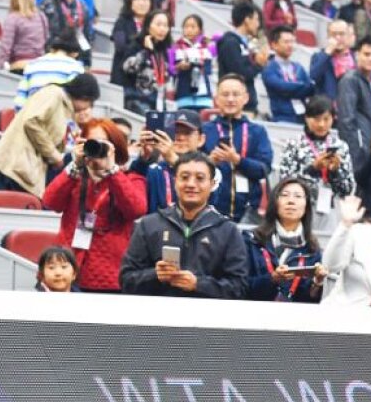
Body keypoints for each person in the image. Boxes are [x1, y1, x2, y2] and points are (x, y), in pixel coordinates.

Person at [119, 152, 249, 299]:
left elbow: (239, 287)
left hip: (208, 318)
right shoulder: (149, 225)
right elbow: (126, 280)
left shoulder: (228, 230)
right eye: (184, 177)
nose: (191, 184)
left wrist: (198, 284)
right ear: (175, 181)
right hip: (157, 317)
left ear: (212, 184)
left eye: (200, 178)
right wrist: (155, 275)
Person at [42, 118, 147, 293]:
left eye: (103, 144)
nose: (97, 149)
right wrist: (75, 164)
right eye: (92, 143)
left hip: (110, 275)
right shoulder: (74, 177)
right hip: (69, 271)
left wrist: (112, 169)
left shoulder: (131, 179)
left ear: (115, 148)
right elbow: (50, 202)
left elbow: (136, 209)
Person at [0, 72, 100, 196]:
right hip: (16, 166)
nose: (88, 107)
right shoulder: (53, 94)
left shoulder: (65, 107)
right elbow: (31, 122)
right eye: (89, 102)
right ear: (83, 96)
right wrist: (54, 155)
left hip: (27, 169)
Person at [202, 75, 272, 223]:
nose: (230, 99)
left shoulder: (257, 131)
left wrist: (238, 160)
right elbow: (190, 166)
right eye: (225, 94)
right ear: (216, 98)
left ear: (246, 98)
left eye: (236, 94)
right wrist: (209, 162)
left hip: (249, 211)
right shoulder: (204, 131)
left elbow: (264, 169)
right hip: (208, 209)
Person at [243, 177, 326, 303]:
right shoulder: (252, 240)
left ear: (306, 206)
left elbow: (308, 302)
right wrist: (272, 279)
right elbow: (241, 286)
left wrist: (317, 283)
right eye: (285, 195)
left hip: (293, 319)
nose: (291, 201)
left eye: (298, 196)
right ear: (275, 202)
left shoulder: (312, 249)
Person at [276, 96, 356, 221]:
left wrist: (334, 172)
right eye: (316, 119)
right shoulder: (294, 145)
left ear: (333, 119)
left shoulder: (340, 146)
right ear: (306, 118)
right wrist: (312, 169)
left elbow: (347, 189)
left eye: (326, 119)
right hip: (300, 210)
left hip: (332, 209)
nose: (321, 124)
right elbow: (284, 182)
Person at [133, 108, 205, 212]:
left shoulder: (210, 170)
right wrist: (144, 158)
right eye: (175, 132)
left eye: (187, 133)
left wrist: (174, 161)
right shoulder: (155, 170)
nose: (180, 137)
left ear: (200, 139)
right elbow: (132, 196)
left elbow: (210, 202)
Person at [336, 35, 371, 176]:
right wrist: (354, 150)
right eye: (366, 54)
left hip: (369, 145)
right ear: (357, 55)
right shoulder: (350, 80)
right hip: (357, 149)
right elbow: (346, 119)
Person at [216, 0, 268, 116]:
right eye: (256, 19)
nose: (258, 24)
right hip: (234, 106)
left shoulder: (244, 44)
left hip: (247, 105)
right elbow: (240, 73)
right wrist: (259, 65)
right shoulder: (230, 43)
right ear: (247, 20)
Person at [13, 30, 84, 111]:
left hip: (31, 117)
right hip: (57, 118)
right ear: (75, 53)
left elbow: (19, 102)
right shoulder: (75, 67)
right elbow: (74, 103)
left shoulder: (32, 65)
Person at [120, 9, 172, 115]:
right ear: (148, 26)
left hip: (158, 101)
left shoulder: (164, 51)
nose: (162, 29)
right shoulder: (136, 45)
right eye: (158, 24)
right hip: (137, 100)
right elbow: (128, 68)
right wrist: (146, 51)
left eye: (166, 25)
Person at [262, 25, 315, 124]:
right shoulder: (269, 68)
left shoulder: (298, 67)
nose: (290, 45)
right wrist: (301, 86)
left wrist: (295, 88)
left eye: (292, 41)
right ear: (274, 45)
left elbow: (311, 89)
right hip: (282, 117)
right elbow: (282, 87)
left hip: (303, 116)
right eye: (286, 42)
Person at [40, 0, 94, 67]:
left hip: (75, 58)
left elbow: (85, 36)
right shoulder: (46, 4)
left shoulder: (82, 6)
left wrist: (87, 62)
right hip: (51, 57)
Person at [0, 0, 50, 74]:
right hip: (39, 66)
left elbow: (5, 48)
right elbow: (46, 41)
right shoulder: (42, 16)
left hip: (19, 66)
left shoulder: (12, 18)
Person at [169, 14, 215, 110]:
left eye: (193, 27)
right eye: (186, 27)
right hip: (183, 94)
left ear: (200, 29)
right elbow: (170, 70)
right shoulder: (175, 47)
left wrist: (208, 38)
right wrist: (179, 67)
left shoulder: (208, 47)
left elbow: (220, 37)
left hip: (204, 95)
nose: (189, 30)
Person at [308, 19, 355, 101]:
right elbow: (314, 76)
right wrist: (328, 51)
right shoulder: (319, 57)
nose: (337, 38)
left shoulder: (356, 57)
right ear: (328, 37)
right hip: (328, 107)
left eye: (341, 34)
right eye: (333, 34)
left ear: (348, 36)